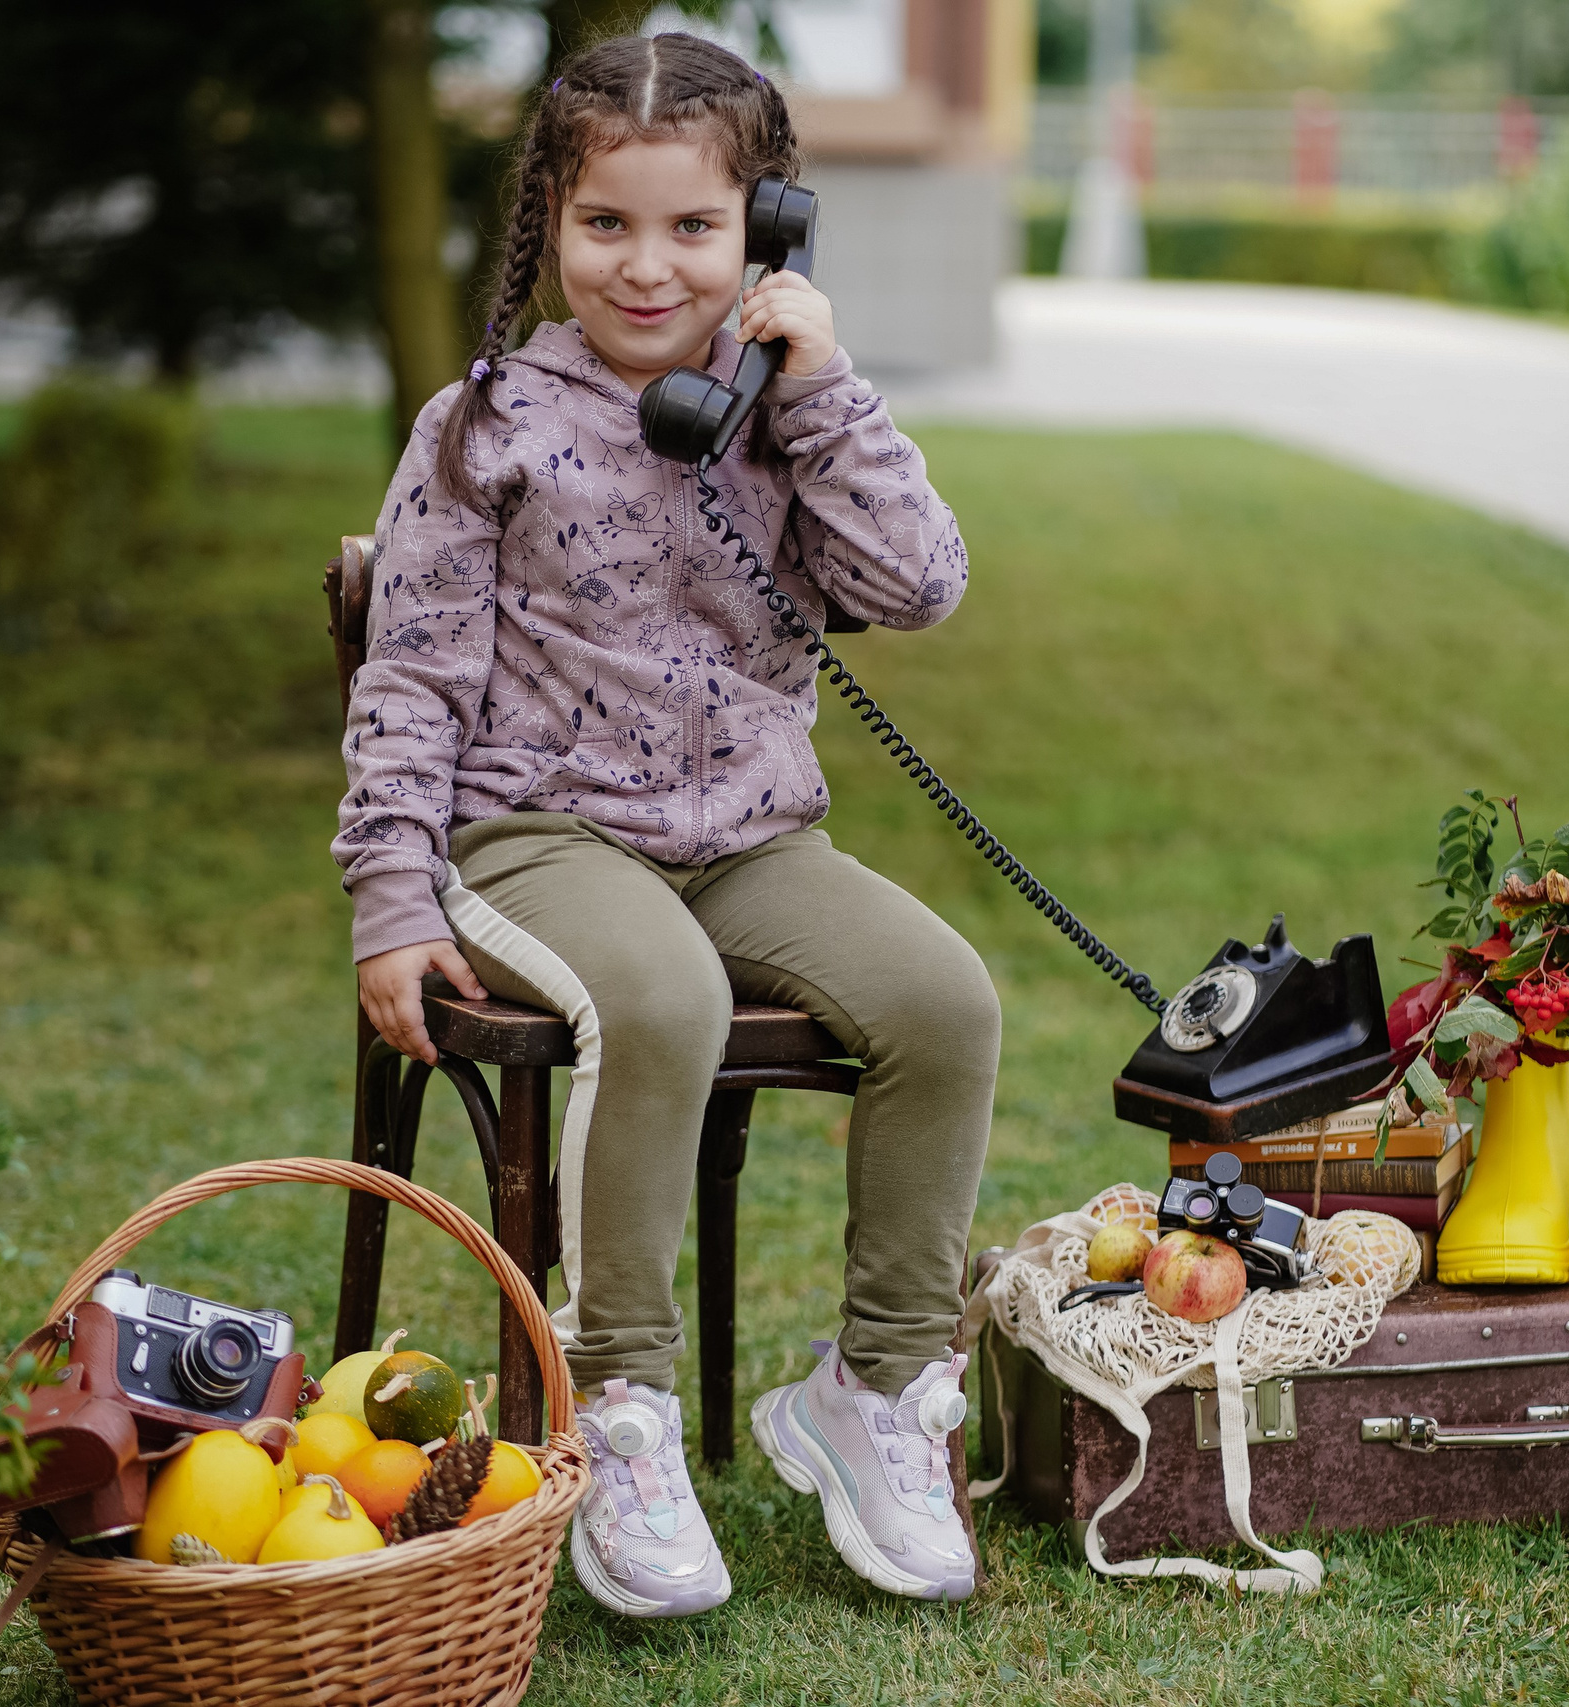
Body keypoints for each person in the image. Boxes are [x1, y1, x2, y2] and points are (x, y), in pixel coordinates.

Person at [332, 31, 995, 1615]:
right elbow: (409, 682)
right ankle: (615, 1407)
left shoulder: (788, 411)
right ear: (546, 229)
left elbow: (920, 585)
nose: (647, 268)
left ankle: (877, 1390)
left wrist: (817, 385)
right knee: (664, 1000)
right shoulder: (480, 426)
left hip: (754, 839)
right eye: (605, 226)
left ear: (766, 234)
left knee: (944, 1003)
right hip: (537, 837)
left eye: (696, 229)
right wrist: (392, 898)